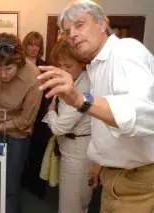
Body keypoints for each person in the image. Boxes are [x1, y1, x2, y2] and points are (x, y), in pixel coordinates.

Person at [38, 0, 154, 212]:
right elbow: (104, 124)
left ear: (103, 24)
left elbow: (145, 114)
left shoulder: (126, 51)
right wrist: (100, 161)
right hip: (114, 171)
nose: (72, 34)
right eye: (67, 31)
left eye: (79, 25)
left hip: (137, 177)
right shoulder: (96, 67)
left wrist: (80, 100)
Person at [0, 33, 43, 213]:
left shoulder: (34, 77)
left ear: (18, 61)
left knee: (10, 185)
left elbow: (27, 119)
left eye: (8, 69)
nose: (2, 74)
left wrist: (0, 126)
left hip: (17, 134)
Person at [42, 38, 92, 213]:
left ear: (82, 63)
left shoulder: (84, 86)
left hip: (77, 151)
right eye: (60, 65)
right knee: (77, 202)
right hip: (73, 147)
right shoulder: (74, 80)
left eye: (68, 66)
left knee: (71, 205)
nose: (63, 70)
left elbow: (58, 127)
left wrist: (51, 111)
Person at [21, 31, 53, 199]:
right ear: (25, 45)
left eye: (37, 45)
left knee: (38, 151)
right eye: (30, 44)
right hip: (22, 115)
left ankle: (37, 186)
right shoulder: (18, 65)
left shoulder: (45, 66)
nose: (33, 48)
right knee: (21, 151)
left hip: (41, 117)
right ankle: (23, 181)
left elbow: (49, 94)